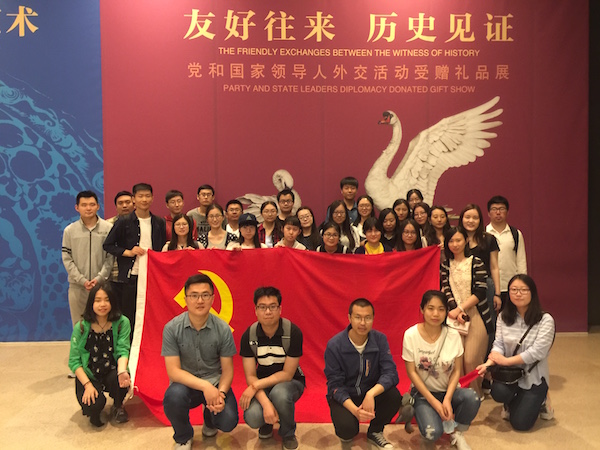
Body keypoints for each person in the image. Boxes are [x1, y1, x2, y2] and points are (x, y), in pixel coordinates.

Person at [162, 274, 238, 449]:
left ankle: (210, 421)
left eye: (205, 295)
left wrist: (221, 394)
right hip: (185, 384)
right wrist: (205, 387)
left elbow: (227, 371)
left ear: (212, 299)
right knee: (173, 398)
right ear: (185, 299)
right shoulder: (171, 328)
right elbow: (173, 372)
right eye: (194, 295)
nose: (200, 300)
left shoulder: (223, 329)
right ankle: (183, 437)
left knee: (228, 421)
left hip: (215, 383)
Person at [403, 290, 480, 450]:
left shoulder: (453, 335)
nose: (435, 314)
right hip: (423, 394)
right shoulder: (410, 335)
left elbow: (457, 371)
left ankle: (457, 433)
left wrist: (447, 399)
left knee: (472, 398)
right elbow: (411, 372)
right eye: (430, 308)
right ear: (422, 309)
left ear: (446, 311)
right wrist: (435, 403)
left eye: (441, 309)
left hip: (448, 391)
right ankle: (428, 417)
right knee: (432, 433)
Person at [477, 275, 555, 431]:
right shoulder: (503, 317)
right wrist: (488, 363)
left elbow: (537, 352)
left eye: (523, 290)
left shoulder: (545, 320)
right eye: (514, 290)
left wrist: (506, 361)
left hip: (533, 376)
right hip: (510, 374)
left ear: (532, 293)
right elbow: (498, 344)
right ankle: (512, 400)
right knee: (498, 392)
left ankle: (542, 400)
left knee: (520, 424)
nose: (518, 294)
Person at [324, 298, 401, 449]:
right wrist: (354, 410)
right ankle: (347, 431)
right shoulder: (335, 345)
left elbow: (391, 373)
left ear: (373, 319)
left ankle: (375, 430)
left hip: (369, 392)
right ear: (349, 318)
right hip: (346, 395)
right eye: (358, 317)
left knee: (394, 396)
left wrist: (371, 394)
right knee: (347, 430)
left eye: (368, 318)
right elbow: (334, 385)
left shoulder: (379, 340)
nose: (363, 323)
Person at [239, 287, 305, 450]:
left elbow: (287, 374)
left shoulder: (292, 332)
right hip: (263, 384)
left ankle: (288, 433)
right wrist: (265, 403)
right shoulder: (249, 335)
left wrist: (255, 386)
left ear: (280, 309)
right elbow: (250, 375)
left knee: (279, 393)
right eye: (262, 307)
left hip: (291, 382)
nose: (268, 312)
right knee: (253, 416)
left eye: (272, 307)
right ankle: (266, 423)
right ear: (255, 310)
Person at [103, 183, 167, 333]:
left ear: (152, 198)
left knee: (151, 314)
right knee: (129, 315)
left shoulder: (159, 222)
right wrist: (128, 252)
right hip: (130, 277)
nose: (144, 199)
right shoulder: (123, 221)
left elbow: (162, 247)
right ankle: (128, 345)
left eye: (147, 196)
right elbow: (108, 245)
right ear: (134, 199)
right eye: (140, 196)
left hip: (152, 277)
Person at [68, 285, 131, 427]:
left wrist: (122, 371)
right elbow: (74, 361)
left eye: (107, 300)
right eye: (98, 300)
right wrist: (87, 385)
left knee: (121, 378)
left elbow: (123, 349)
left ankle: (118, 405)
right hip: (89, 374)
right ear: (91, 303)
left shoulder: (122, 322)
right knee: (93, 405)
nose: (102, 304)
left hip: (111, 370)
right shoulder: (81, 327)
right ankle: (95, 411)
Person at [440, 227, 490, 397]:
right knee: (457, 360)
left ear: (466, 241)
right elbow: (446, 289)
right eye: (451, 241)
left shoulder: (476, 262)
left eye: (458, 240)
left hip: (476, 313)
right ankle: (461, 395)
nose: (455, 244)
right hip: (454, 316)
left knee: (471, 359)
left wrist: (461, 309)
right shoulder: (446, 265)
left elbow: (480, 291)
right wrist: (455, 309)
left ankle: (475, 394)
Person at [62, 190, 114, 328]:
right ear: (77, 207)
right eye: (84, 205)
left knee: (102, 325)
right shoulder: (69, 230)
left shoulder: (108, 228)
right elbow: (67, 258)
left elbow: (110, 257)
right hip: (78, 287)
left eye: (92, 204)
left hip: (102, 286)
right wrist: (82, 280)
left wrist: (99, 278)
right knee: (79, 326)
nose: (88, 208)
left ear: (98, 206)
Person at [458, 204, 501, 320]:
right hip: (462, 286)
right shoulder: (456, 240)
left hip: (486, 286)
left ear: (480, 220)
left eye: (475, 218)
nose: (471, 221)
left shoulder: (489, 239)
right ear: (461, 219)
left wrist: (497, 294)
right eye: (467, 217)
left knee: (488, 320)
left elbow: (494, 267)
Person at [485, 196, 528, 309]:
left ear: (507, 212)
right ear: (488, 213)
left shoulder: (515, 234)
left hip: (510, 285)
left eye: (501, 209)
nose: (498, 212)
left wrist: (521, 285)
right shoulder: (483, 234)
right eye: (494, 209)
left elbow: (521, 261)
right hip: (489, 286)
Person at [106, 190, 134, 316]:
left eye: (127, 202)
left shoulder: (141, 223)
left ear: (134, 203)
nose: (124, 206)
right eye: (120, 203)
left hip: (135, 277)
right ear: (116, 206)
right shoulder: (108, 225)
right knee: (115, 313)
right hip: (113, 275)